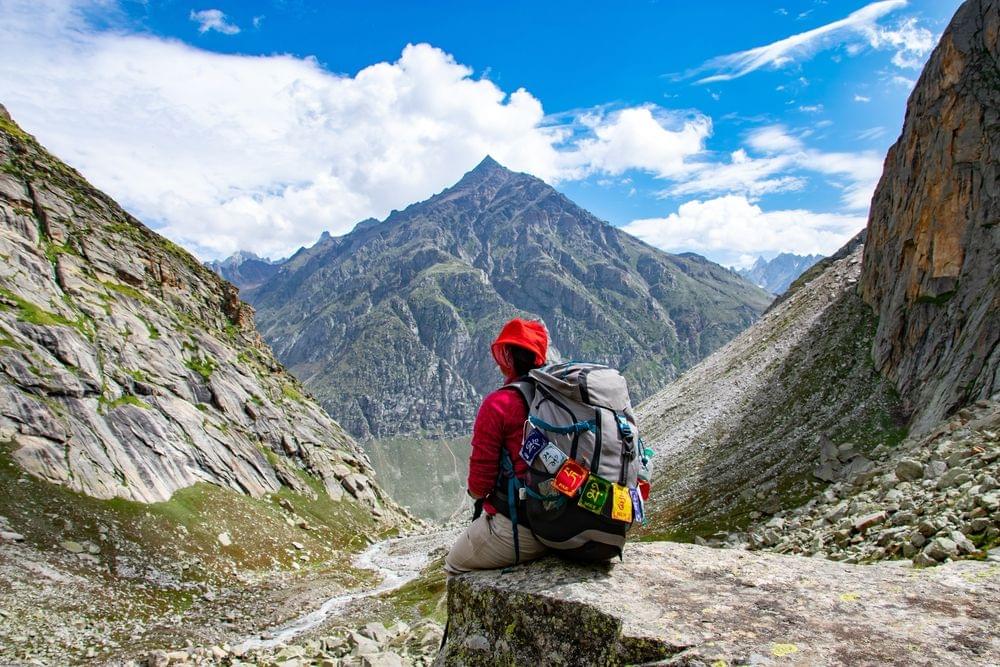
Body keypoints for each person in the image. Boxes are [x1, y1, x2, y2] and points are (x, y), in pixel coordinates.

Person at [444, 318, 550, 576]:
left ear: (508, 357)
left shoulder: (499, 404)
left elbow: (480, 484)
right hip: (562, 520)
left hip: (524, 528)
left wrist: (476, 494)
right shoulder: (556, 395)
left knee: (454, 565)